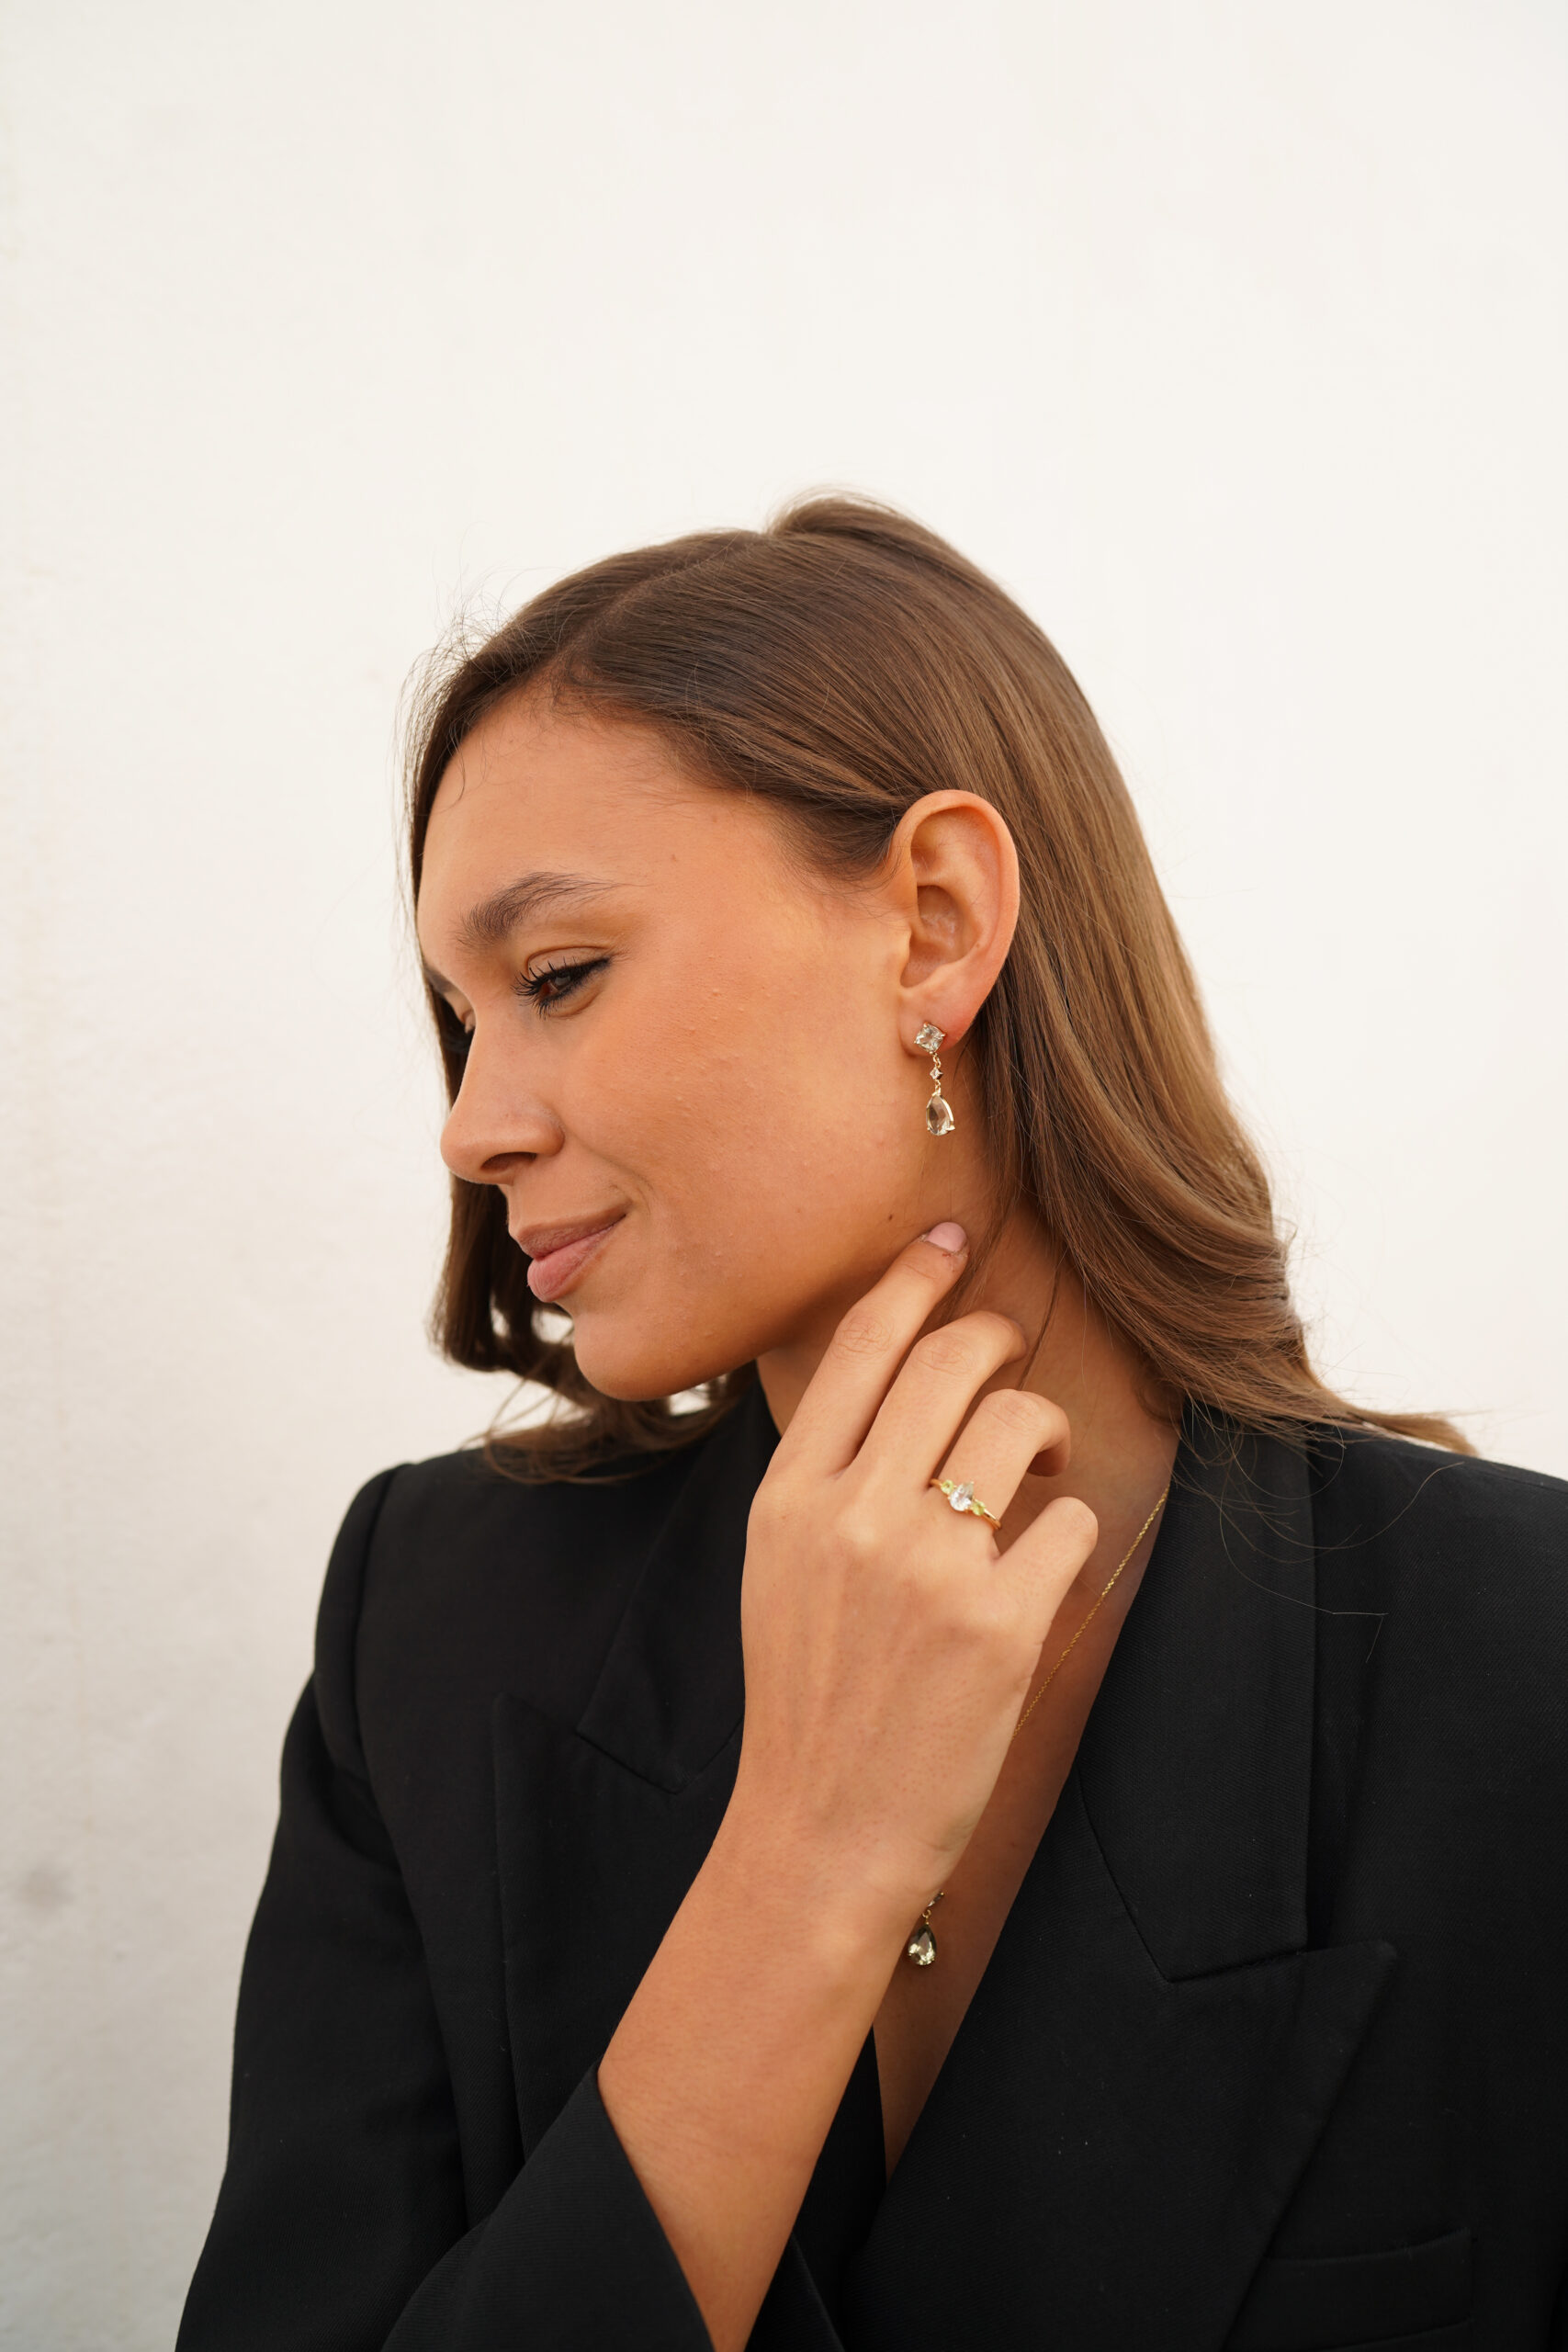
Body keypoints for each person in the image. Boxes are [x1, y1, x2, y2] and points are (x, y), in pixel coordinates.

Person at [177, 499, 1568, 2351]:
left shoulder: (1520, 1660)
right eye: (462, 1017)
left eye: (560, 976)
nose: (472, 1122)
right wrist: (807, 1861)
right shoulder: (429, 1632)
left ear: (933, 926)